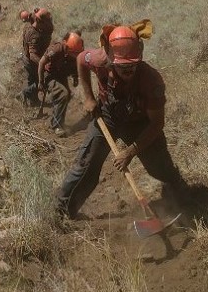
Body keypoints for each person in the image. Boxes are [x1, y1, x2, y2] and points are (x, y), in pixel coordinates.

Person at [56, 24, 189, 219]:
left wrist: (131, 151)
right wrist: (89, 97)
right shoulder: (99, 59)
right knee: (87, 164)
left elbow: (156, 124)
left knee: (160, 168)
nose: (128, 71)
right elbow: (80, 60)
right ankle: (62, 211)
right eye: (122, 66)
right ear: (110, 58)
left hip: (139, 123)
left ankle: (182, 199)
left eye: (132, 65)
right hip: (107, 116)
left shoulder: (151, 81)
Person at [38, 31, 84, 136]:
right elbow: (41, 63)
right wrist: (41, 82)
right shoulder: (57, 49)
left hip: (61, 75)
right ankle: (56, 125)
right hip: (50, 75)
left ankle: (57, 120)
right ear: (65, 44)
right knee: (63, 94)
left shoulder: (76, 48)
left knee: (66, 96)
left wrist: (75, 77)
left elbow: (74, 64)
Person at [19, 7, 54, 107]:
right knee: (34, 79)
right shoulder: (34, 34)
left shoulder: (40, 25)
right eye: (47, 21)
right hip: (31, 61)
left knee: (35, 79)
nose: (49, 22)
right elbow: (32, 55)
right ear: (39, 21)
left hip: (39, 55)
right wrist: (43, 64)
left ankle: (30, 97)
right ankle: (27, 97)